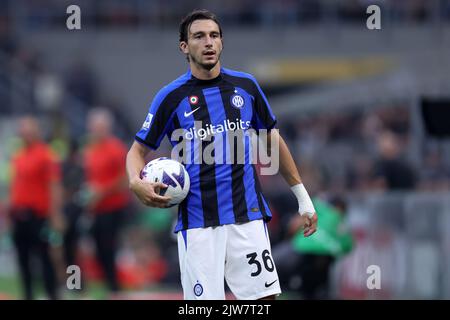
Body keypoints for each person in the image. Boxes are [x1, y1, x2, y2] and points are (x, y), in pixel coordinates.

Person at [126, 9, 318, 300]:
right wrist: (135, 181)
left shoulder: (246, 87)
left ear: (222, 42)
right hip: (198, 222)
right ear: (184, 47)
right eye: (199, 36)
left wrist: (303, 198)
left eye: (214, 36)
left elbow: (272, 140)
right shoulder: (170, 96)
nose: (208, 42)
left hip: (247, 213)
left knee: (264, 299)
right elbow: (137, 151)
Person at [9, 115, 64, 300]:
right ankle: (28, 294)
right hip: (19, 215)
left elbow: (54, 185)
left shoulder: (45, 154)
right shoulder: (19, 154)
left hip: (38, 215)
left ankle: (52, 294)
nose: (26, 134)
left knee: (45, 258)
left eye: (29, 131)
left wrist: (55, 214)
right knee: (23, 259)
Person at [83, 107, 130, 293]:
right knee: (98, 248)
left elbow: (123, 179)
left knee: (109, 247)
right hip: (96, 207)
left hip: (113, 207)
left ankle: (114, 288)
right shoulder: (90, 148)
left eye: (100, 127)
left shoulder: (116, 148)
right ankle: (109, 285)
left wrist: (101, 191)